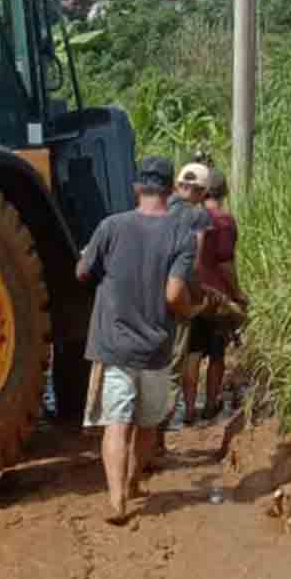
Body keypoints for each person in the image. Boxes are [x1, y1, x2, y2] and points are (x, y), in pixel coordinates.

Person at [76, 156, 199, 526]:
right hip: (156, 348)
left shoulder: (111, 226)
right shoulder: (182, 235)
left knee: (117, 421)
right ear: (170, 190)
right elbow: (175, 294)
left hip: (114, 344)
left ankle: (117, 501)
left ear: (136, 187)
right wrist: (190, 310)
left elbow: (83, 272)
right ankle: (132, 481)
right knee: (147, 422)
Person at [182, 168, 248, 422]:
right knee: (217, 351)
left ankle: (188, 408)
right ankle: (210, 403)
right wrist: (237, 293)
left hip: (193, 292)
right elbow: (225, 263)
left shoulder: (190, 216)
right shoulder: (224, 221)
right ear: (225, 192)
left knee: (193, 352)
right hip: (218, 296)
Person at [160, 161, 212, 439]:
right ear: (202, 192)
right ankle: (156, 436)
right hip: (178, 297)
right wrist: (198, 300)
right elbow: (195, 263)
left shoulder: (159, 207)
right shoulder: (198, 217)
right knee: (173, 365)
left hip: (147, 297)